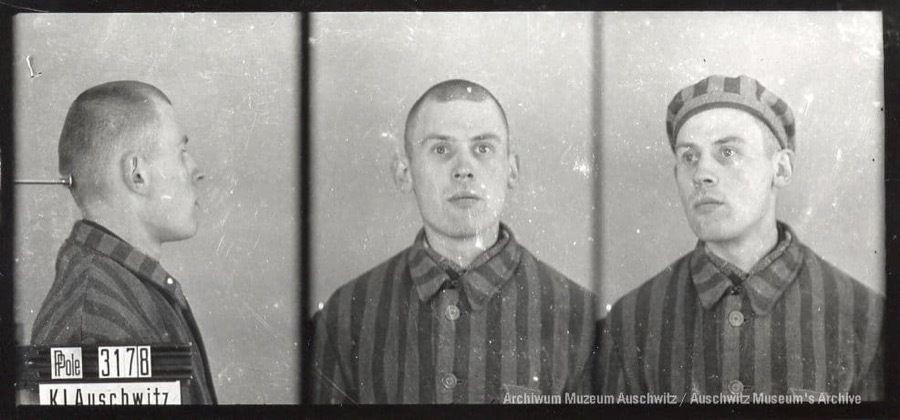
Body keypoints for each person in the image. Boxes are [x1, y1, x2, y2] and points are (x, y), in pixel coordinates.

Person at [311, 79, 597, 404]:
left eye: (483, 148)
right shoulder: (345, 316)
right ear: (404, 172)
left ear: (512, 170)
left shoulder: (580, 319)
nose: (464, 169)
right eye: (441, 149)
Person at [599, 75, 883, 400]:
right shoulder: (630, 321)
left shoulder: (867, 319)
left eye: (728, 152)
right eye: (689, 157)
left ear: (781, 169)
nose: (702, 174)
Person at [30, 81, 216, 404]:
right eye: (181, 152)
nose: (196, 170)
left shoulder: (119, 290)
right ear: (136, 174)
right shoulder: (97, 324)